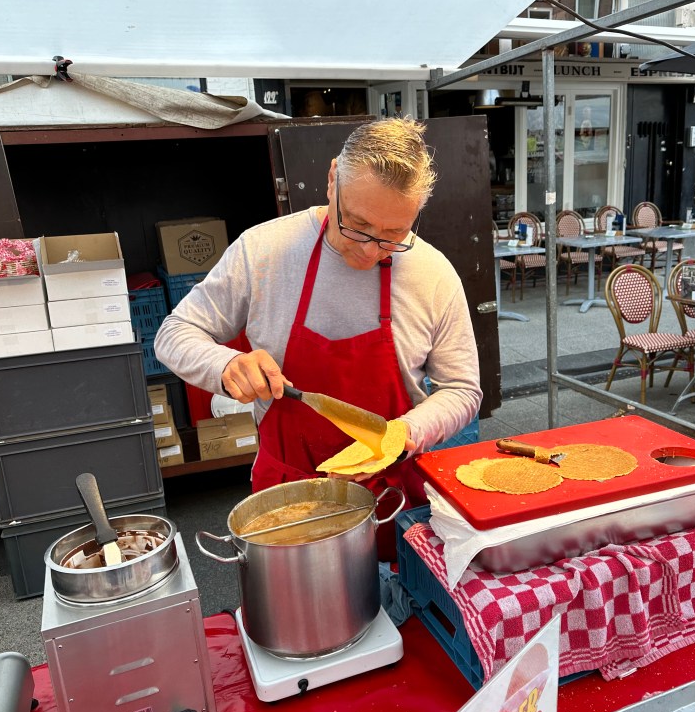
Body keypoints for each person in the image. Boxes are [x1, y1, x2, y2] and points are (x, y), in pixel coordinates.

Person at [155, 118, 482, 552]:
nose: (369, 250)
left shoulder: (433, 273)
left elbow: (462, 389)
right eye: (356, 225)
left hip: (393, 497)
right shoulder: (265, 250)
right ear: (332, 180)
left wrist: (406, 432)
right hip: (287, 494)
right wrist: (227, 364)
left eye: (393, 235)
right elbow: (174, 333)